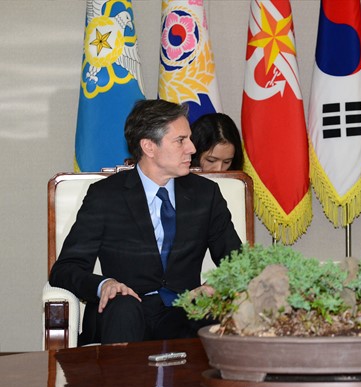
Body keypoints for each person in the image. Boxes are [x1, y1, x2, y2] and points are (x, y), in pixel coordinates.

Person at [49, 99, 242, 345]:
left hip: (182, 311)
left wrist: (214, 285)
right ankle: (124, 373)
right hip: (125, 310)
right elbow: (65, 269)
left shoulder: (206, 194)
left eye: (190, 139)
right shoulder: (106, 196)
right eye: (181, 140)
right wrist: (104, 284)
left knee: (211, 312)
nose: (192, 148)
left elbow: (238, 261)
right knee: (124, 307)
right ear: (149, 146)